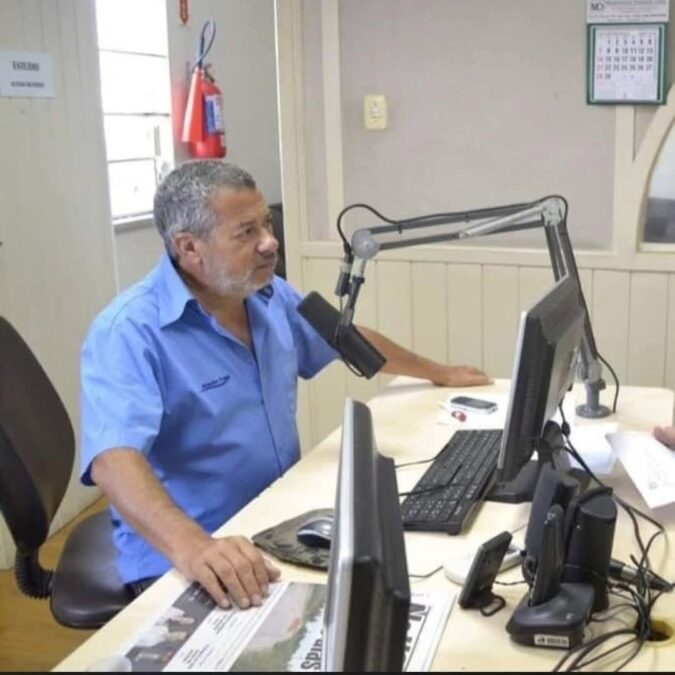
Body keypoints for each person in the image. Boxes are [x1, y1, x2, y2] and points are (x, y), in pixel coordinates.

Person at [80, 160, 490, 612]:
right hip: (192, 552)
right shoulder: (127, 332)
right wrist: (195, 548)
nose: (270, 242)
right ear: (189, 247)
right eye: (246, 232)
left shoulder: (268, 293)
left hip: (276, 521)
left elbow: (345, 339)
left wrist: (439, 372)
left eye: (267, 224)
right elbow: (113, 463)